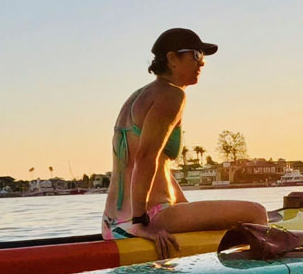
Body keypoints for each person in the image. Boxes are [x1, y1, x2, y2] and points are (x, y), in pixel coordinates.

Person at [102, 28, 267, 258]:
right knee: (256, 213)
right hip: (147, 217)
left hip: (113, 223)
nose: (202, 63)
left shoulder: (139, 96)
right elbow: (145, 158)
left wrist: (187, 207)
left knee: (228, 224)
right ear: (172, 59)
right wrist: (140, 223)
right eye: (196, 55)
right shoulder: (171, 95)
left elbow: (157, 163)